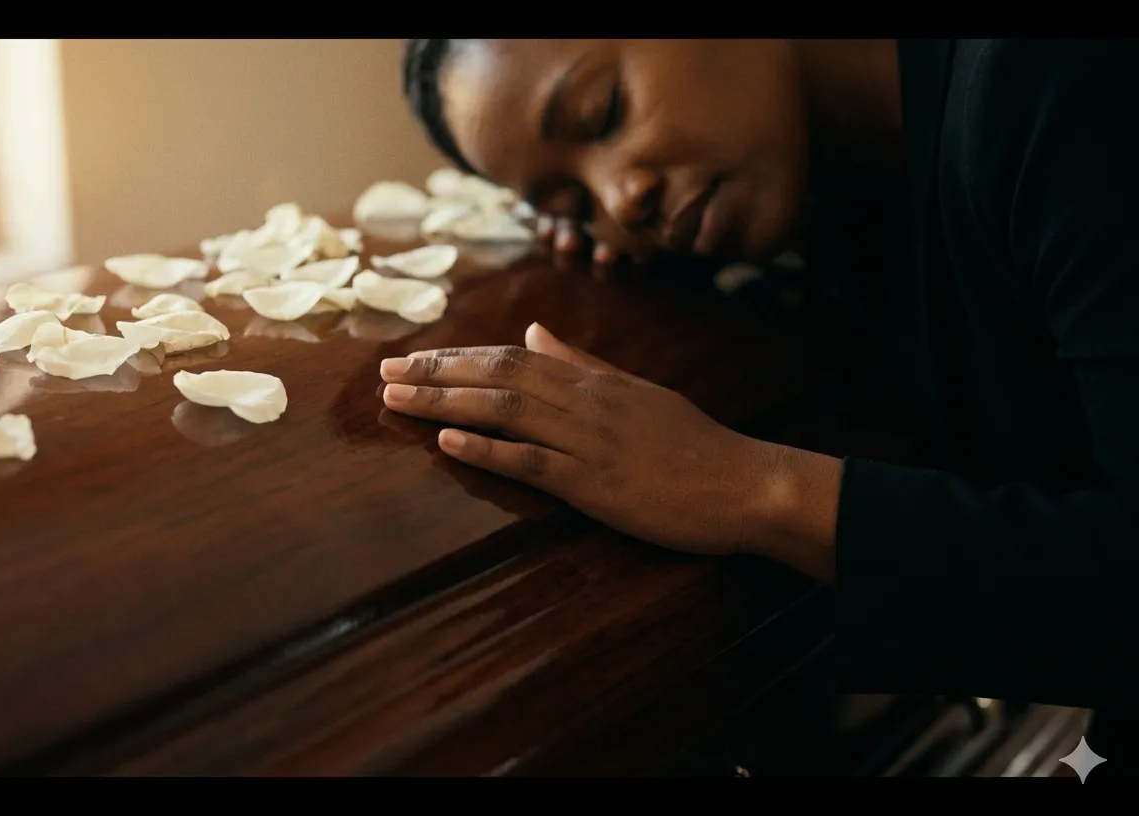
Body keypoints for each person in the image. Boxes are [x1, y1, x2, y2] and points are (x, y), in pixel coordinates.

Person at [384, 38, 1139, 779]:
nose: (621, 200)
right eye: (572, 203)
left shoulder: (1056, 75)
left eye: (603, 111)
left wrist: (746, 486)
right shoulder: (838, 184)